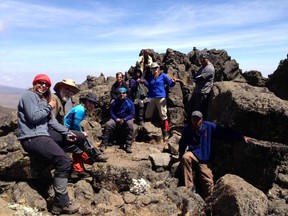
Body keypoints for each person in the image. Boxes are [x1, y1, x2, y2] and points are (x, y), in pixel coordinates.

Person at [17, 74, 79, 214]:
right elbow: (33, 117)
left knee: (75, 139)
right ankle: (61, 204)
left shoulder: (42, 99)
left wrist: (67, 132)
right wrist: (49, 107)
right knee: (63, 162)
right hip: (32, 137)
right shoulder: (29, 96)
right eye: (40, 82)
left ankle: (87, 156)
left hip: (42, 135)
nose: (43, 86)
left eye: (46, 84)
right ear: (35, 83)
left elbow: (51, 122)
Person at [178, 110, 251, 199]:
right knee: (185, 157)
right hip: (193, 153)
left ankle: (208, 202)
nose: (195, 121)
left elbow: (224, 133)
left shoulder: (209, 126)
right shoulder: (187, 128)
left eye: (198, 119)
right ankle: (189, 188)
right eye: (193, 118)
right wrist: (180, 154)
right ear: (191, 119)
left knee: (208, 182)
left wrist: (241, 137)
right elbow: (182, 143)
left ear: (202, 119)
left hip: (205, 157)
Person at [64, 92, 109, 175]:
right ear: (85, 101)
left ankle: (79, 168)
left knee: (79, 145)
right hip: (65, 130)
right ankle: (94, 156)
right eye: (90, 102)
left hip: (68, 129)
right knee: (83, 140)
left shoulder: (81, 108)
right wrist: (81, 133)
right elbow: (76, 124)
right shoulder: (80, 110)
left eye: (93, 103)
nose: (92, 105)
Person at [145, 62, 177, 140]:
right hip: (152, 97)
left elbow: (170, 84)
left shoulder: (163, 76)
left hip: (160, 97)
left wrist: (173, 81)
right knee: (148, 114)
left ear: (158, 68)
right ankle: (149, 131)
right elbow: (149, 85)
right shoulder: (151, 77)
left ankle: (165, 131)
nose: (154, 69)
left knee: (163, 114)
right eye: (153, 68)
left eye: (155, 68)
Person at [100, 87, 135, 153]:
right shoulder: (115, 102)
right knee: (108, 124)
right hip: (116, 119)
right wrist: (116, 119)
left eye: (123, 93)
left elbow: (132, 114)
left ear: (126, 94)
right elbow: (111, 112)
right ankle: (104, 144)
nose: (122, 94)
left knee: (130, 124)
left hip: (126, 119)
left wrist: (125, 119)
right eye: (120, 93)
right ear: (118, 94)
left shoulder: (129, 102)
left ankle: (128, 145)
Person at [186, 51, 215, 118]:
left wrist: (194, 77)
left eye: (201, 60)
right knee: (191, 109)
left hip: (202, 93)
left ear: (206, 59)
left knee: (198, 112)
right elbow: (196, 76)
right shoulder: (203, 67)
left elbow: (198, 79)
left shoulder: (209, 68)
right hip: (197, 91)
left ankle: (198, 126)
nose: (200, 61)